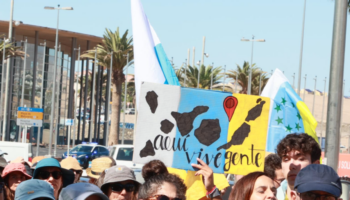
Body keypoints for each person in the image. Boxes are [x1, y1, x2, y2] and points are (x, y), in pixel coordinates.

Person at [276, 133, 321, 200]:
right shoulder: (270, 196)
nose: (291, 165)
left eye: (300, 159)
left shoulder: (326, 196)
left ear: (316, 165)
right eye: (286, 159)